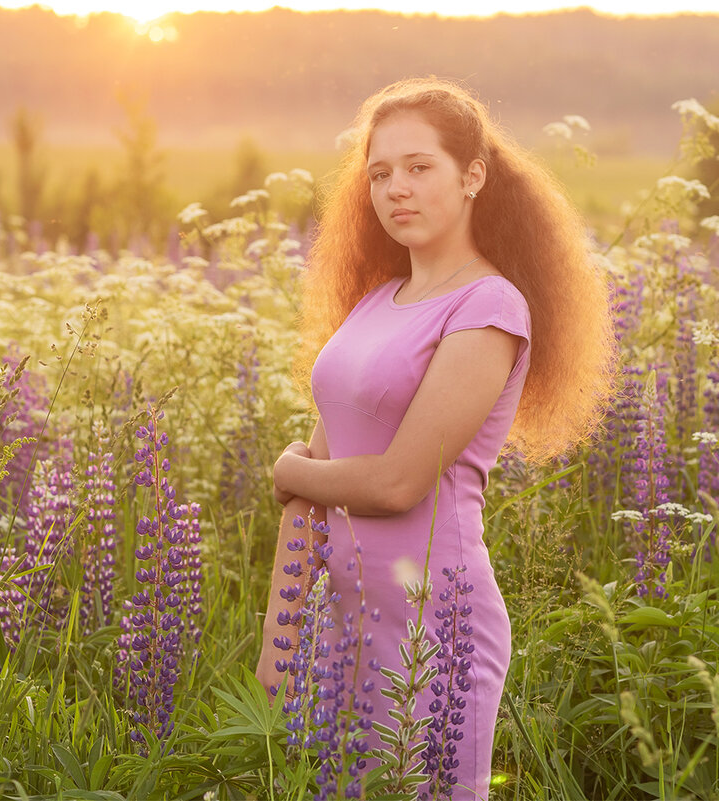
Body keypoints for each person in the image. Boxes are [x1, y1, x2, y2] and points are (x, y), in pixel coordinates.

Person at [256, 77, 615, 799]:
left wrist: (287, 471)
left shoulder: (489, 307)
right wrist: (278, 634)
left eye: (419, 167)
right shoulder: (372, 302)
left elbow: (395, 482)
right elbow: (316, 473)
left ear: (473, 174)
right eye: (380, 173)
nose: (397, 188)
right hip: (335, 625)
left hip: (434, 628)